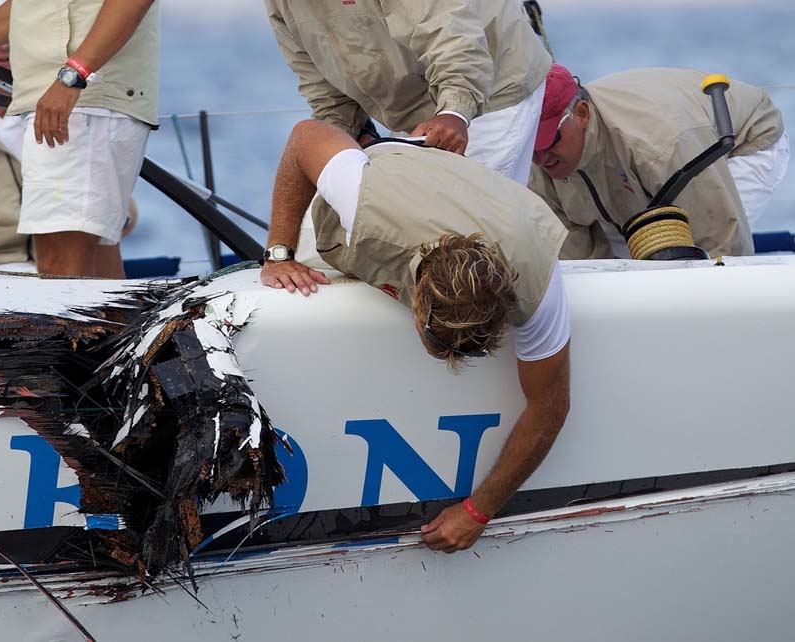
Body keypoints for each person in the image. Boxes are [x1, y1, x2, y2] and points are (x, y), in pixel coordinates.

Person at [260, 119, 572, 553]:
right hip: (380, 192)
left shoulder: (537, 278)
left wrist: (480, 509)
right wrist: (278, 254)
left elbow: (550, 406)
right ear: (416, 301)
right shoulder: (360, 201)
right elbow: (305, 136)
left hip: (493, 207)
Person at [0, 0, 159, 278]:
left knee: (58, 265)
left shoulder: (74, 90)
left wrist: (72, 77)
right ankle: (116, 324)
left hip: (81, 103)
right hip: (75, 105)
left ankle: (81, 324)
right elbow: (28, 8)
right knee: (96, 264)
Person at [263, 0, 552, 185]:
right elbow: (321, 84)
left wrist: (454, 112)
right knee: (428, 228)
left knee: (472, 230)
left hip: (492, 88)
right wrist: (343, 138)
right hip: (415, 116)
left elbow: (450, 34)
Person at [529, 64, 789, 260]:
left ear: (582, 114)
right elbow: (582, 263)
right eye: (532, 146)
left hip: (741, 142)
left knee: (701, 252)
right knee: (632, 261)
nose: (541, 156)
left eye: (550, 139)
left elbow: (723, 239)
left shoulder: (660, 144)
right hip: (650, 163)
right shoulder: (535, 166)